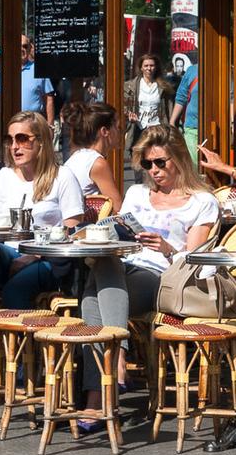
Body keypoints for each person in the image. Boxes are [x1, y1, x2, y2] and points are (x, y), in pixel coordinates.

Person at [75, 125, 222, 424]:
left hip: (162, 276)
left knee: (93, 292)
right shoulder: (137, 193)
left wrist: (167, 247)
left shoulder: (201, 201)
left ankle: (99, 392)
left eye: (160, 162)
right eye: (147, 163)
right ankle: (114, 364)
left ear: (179, 158)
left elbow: (194, 259)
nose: (153, 170)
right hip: (123, 266)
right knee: (103, 270)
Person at [0, 109, 86, 308]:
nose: (14, 146)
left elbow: (74, 232)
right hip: (10, 251)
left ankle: (16, 329)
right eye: (10, 140)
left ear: (41, 141)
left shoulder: (62, 176)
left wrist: (34, 255)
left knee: (15, 289)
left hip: (48, 257)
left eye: (22, 139)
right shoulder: (3, 177)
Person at [61, 101, 124, 211]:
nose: (120, 132)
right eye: (117, 127)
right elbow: (117, 208)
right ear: (104, 131)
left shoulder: (77, 157)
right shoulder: (97, 163)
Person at [0, 35, 55, 125]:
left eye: (25, 46)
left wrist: (50, 125)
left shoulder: (39, 69)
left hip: (33, 123)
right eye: (18, 46)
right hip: (10, 123)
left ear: (30, 48)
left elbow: (48, 98)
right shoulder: (3, 70)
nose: (22, 49)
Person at [125, 53, 169, 130]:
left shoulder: (163, 87)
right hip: (138, 127)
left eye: (152, 65)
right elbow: (124, 106)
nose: (149, 68)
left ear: (156, 67)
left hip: (157, 128)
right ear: (141, 68)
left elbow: (168, 110)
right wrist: (129, 114)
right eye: (146, 66)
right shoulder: (131, 86)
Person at [169, 60, 200, 157]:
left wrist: (232, 123)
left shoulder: (222, 70)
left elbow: (231, 97)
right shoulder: (192, 70)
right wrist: (172, 122)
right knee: (193, 163)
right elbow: (181, 97)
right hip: (192, 127)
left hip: (216, 127)